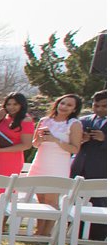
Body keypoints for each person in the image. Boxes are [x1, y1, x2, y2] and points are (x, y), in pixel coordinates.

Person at [29, 93, 84, 237]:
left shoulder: (74, 124)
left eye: (69, 105)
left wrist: (55, 140)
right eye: (63, 103)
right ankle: (38, 232)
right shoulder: (44, 120)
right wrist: (40, 139)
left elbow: (75, 148)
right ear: (57, 104)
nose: (64, 107)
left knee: (51, 200)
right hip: (40, 162)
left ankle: (47, 234)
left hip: (58, 165)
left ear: (74, 109)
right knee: (41, 200)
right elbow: (34, 144)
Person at [0, 92, 35, 201]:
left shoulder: (26, 120)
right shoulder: (3, 117)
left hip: (11, 158)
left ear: (22, 105)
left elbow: (27, 145)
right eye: (9, 104)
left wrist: (3, 150)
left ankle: (3, 216)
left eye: (15, 104)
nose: (11, 107)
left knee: (7, 192)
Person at [70, 90, 107, 239]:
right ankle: (74, 232)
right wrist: (81, 139)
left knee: (99, 202)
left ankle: (96, 236)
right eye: (96, 105)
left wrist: (104, 139)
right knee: (76, 199)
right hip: (80, 166)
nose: (99, 109)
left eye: (104, 106)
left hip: (102, 169)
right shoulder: (84, 121)